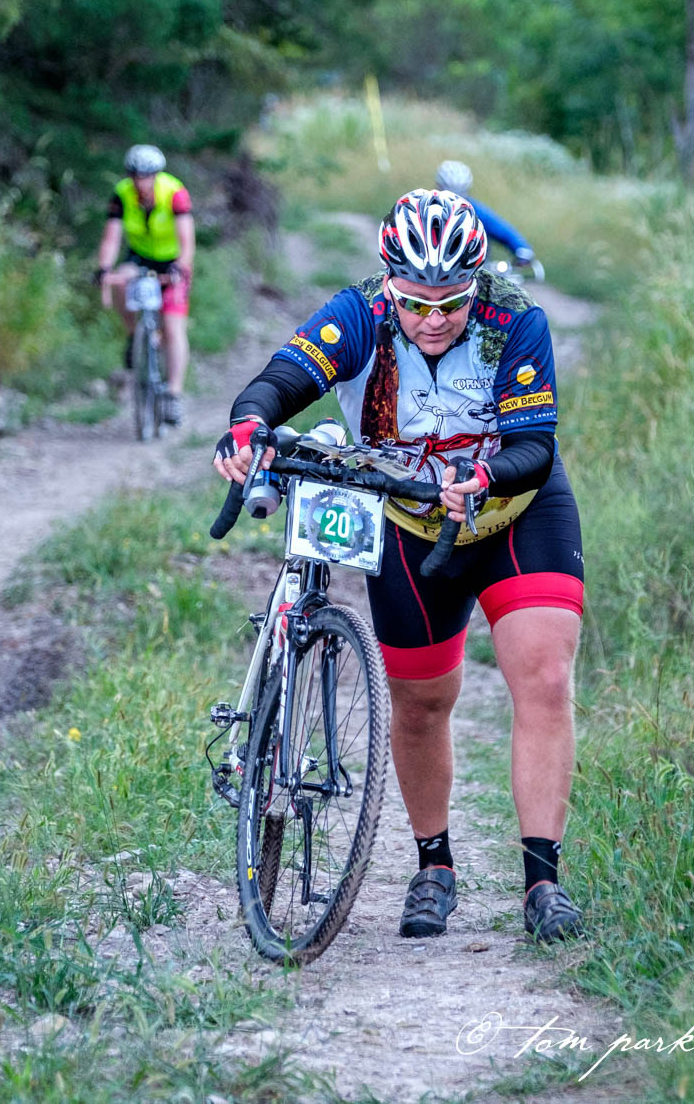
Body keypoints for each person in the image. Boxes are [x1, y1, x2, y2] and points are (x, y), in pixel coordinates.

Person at [213, 188, 584, 943]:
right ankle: (433, 867)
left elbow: (534, 445)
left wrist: (483, 476)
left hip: (515, 511)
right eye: (416, 303)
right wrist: (249, 423)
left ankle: (543, 883)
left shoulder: (515, 318)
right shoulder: (360, 315)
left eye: (452, 301)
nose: (434, 318)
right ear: (390, 284)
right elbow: (283, 378)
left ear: (476, 283)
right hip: (410, 521)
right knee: (419, 703)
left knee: (544, 679)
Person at [95, 144, 195, 426]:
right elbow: (111, 238)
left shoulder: (174, 192)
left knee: (173, 328)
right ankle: (133, 335)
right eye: (136, 176)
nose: (141, 182)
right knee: (119, 280)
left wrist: (180, 267)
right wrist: (103, 268)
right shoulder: (122, 193)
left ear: (156, 174)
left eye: (147, 176)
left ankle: (173, 393)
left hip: (172, 261)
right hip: (139, 257)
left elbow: (187, 241)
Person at [435, 160, 542, 278]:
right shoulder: (428, 208)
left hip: (475, 270)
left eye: (460, 193)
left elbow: (502, 230)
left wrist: (522, 249)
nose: (455, 200)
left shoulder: (475, 210)